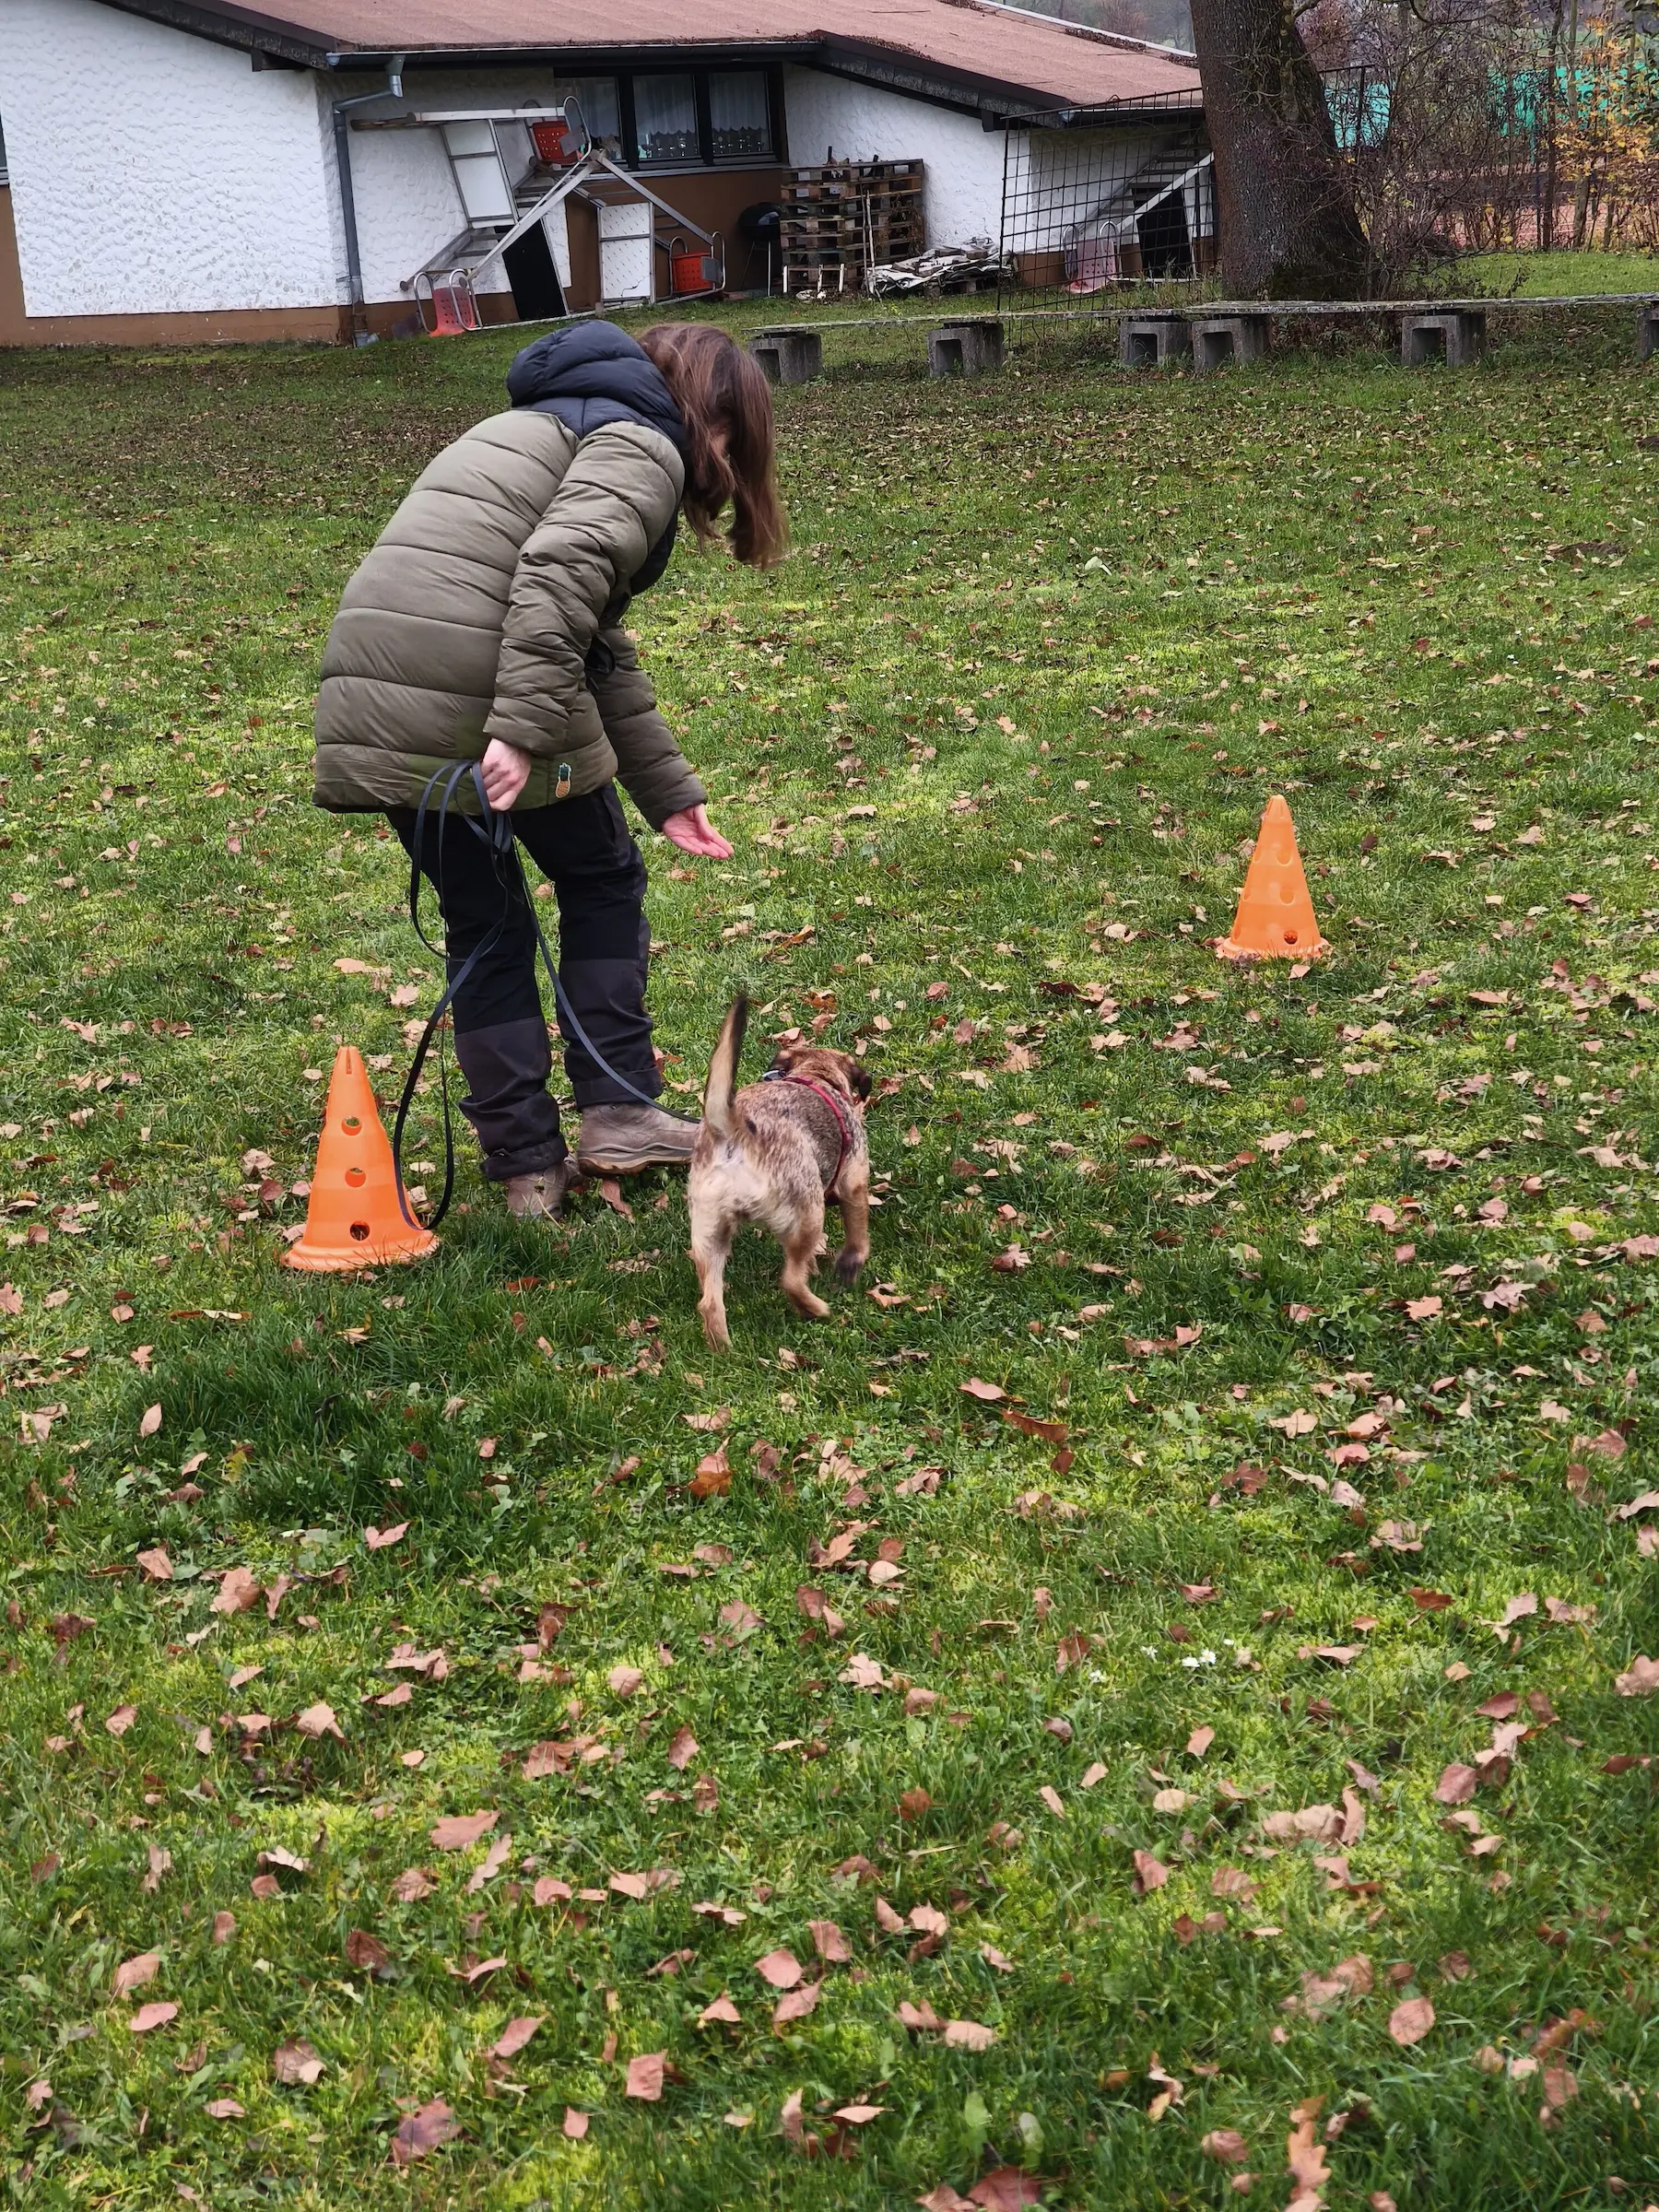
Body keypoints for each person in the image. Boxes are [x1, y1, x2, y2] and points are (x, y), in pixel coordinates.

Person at [312, 320, 786, 1219]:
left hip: (378, 691)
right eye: (734, 439)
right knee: (600, 875)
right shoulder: (642, 442)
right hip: (480, 683)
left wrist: (668, 795)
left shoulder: (551, 424)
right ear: (715, 419)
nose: (725, 460)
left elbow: (593, 640)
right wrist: (522, 732)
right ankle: (615, 1112)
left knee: (486, 925)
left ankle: (528, 1174)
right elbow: (560, 573)